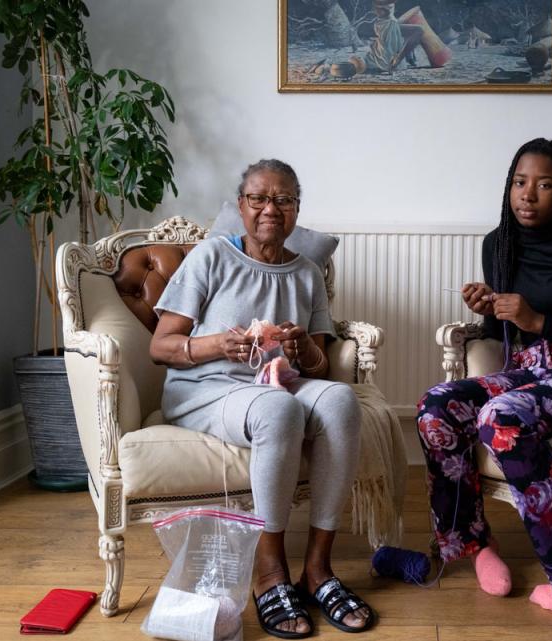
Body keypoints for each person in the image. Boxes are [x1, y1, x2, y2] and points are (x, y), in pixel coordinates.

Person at [149, 159, 374, 638]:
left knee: (339, 400)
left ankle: (318, 569)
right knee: (279, 409)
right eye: (259, 198)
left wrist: (304, 348)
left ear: (296, 210)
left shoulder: (307, 273)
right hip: (208, 389)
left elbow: (319, 367)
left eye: (284, 199)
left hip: (278, 382)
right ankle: (270, 571)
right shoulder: (211, 256)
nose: (271, 208)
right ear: (242, 206)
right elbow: (160, 345)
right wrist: (216, 345)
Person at [416, 138, 552, 612]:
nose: (527, 195)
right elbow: (502, 331)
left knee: (502, 418)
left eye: (544, 185)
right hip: (530, 370)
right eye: (519, 182)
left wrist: (540, 321)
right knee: (436, 406)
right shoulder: (498, 244)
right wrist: (488, 308)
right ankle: (474, 544)